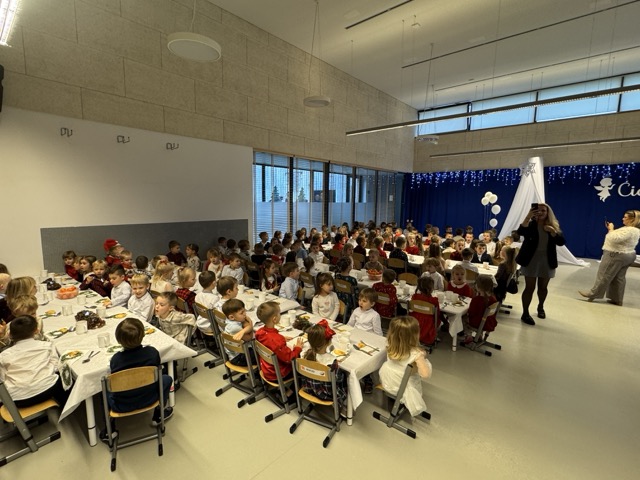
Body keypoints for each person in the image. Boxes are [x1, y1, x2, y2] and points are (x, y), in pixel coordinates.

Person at [105, 317, 173, 438]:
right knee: (166, 379)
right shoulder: (152, 353)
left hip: (121, 404)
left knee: (105, 386)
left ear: (118, 340)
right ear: (143, 335)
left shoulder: (116, 360)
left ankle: (109, 429)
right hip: (150, 397)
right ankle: (158, 415)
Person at [0, 315, 69, 408]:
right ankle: (65, 408)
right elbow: (56, 366)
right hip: (48, 390)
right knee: (64, 376)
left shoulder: (3, 356)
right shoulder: (46, 346)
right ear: (36, 330)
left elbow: (2, 379)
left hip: (18, 400)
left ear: (9, 334)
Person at [516, 202, 565, 325]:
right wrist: (528, 215)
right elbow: (520, 231)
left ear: (548, 213)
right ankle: (525, 313)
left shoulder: (552, 226)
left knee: (543, 288)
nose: (541, 212)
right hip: (530, 259)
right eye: (538, 210)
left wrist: (553, 232)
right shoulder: (531, 224)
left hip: (547, 260)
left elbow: (561, 242)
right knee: (529, 288)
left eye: (544, 210)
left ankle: (540, 307)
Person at [579, 210, 640, 305]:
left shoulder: (630, 230)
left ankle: (593, 293)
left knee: (604, 275)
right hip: (627, 254)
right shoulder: (634, 230)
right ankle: (617, 299)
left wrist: (611, 229)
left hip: (616, 254)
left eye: (625, 217)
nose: (623, 219)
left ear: (632, 219)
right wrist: (611, 230)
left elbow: (615, 238)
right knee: (619, 277)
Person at [378, 316, 432, 417]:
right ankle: (401, 403)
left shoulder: (390, 345)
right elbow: (425, 375)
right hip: (404, 387)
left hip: (388, 381)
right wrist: (423, 356)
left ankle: (394, 401)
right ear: (414, 335)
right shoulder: (416, 354)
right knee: (420, 371)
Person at [254, 301, 303, 387]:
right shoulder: (277, 340)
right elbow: (289, 358)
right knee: (302, 369)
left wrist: (280, 338)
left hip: (266, 369)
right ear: (274, 319)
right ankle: (291, 392)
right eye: (279, 313)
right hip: (277, 374)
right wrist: (298, 348)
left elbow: (269, 341)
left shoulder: (259, 332)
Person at [302, 323, 348, 412]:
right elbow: (338, 379)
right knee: (346, 377)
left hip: (310, 389)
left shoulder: (306, 354)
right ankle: (343, 409)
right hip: (328, 394)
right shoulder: (331, 361)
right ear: (329, 342)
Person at [462, 275, 498, 345]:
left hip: (479, 324)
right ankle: (479, 335)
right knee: (481, 317)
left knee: (463, 318)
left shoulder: (477, 300)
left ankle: (468, 335)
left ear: (479, 287)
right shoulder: (493, 298)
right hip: (489, 323)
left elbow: (471, 313)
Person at [222, 299, 254, 366]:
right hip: (238, 358)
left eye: (244, 311)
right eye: (241, 313)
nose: (245, 314)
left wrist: (245, 325)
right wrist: (250, 323)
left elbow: (245, 326)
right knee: (261, 352)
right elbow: (249, 338)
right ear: (232, 317)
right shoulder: (234, 328)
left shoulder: (229, 321)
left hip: (236, 354)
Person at [410, 276, 440, 346]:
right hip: (428, 322)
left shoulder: (415, 297)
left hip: (415, 319)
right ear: (431, 288)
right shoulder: (433, 300)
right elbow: (437, 314)